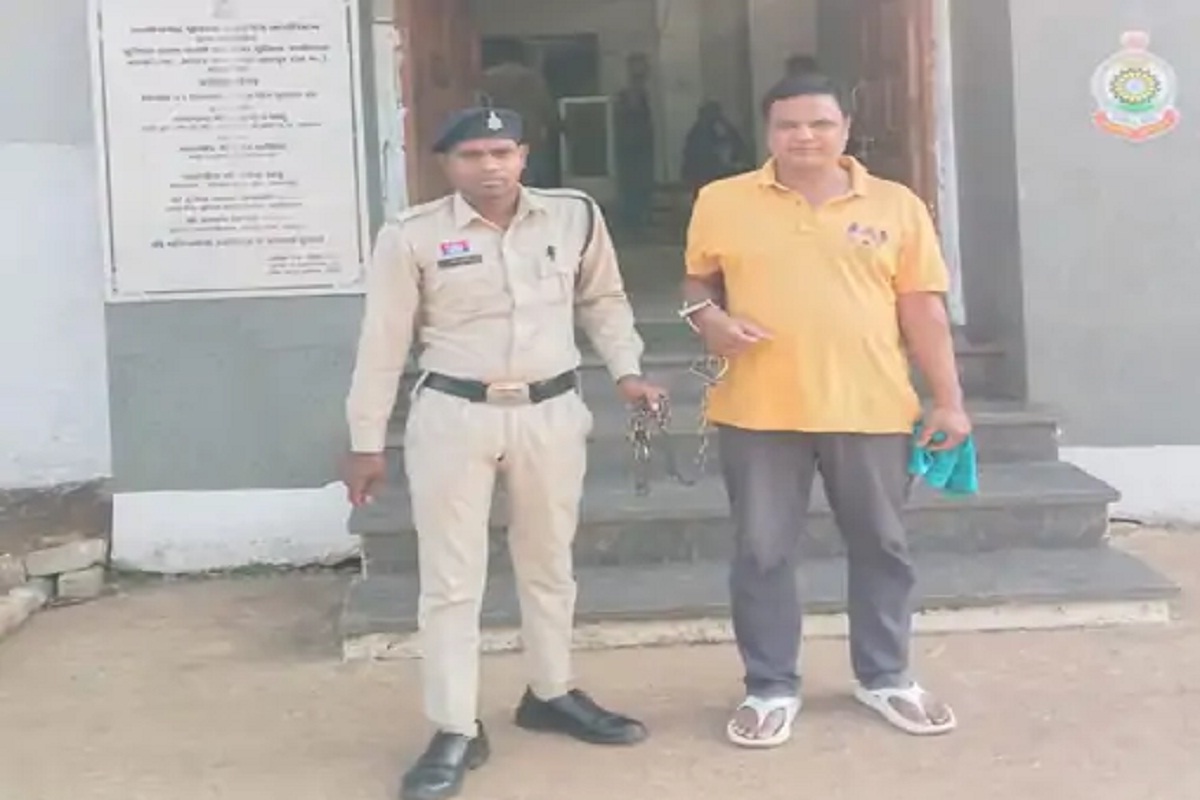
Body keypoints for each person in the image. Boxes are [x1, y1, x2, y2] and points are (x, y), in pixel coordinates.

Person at [343, 106, 666, 800]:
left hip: (550, 411)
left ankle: (551, 691)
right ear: (447, 165)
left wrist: (628, 371)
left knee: (549, 563)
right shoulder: (412, 235)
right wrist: (366, 441)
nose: (489, 167)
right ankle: (455, 726)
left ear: (524, 154)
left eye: (501, 152)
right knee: (451, 580)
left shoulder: (573, 217)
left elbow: (604, 300)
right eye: (472, 156)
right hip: (455, 415)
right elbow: (383, 341)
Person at [680, 72, 971, 748]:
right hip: (757, 408)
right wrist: (708, 319)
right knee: (761, 552)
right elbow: (697, 282)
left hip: (871, 405)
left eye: (820, 124)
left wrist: (950, 401)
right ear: (768, 131)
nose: (804, 137)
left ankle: (886, 675)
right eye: (788, 125)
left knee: (882, 546)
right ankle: (770, 686)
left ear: (846, 129)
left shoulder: (897, 205)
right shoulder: (722, 200)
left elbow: (923, 308)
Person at [481, 38, 560, 188]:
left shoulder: (487, 78)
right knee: (530, 175)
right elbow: (545, 105)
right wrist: (557, 125)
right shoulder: (530, 79)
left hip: (497, 133)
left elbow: (480, 105)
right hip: (529, 133)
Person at [614, 53, 656, 233]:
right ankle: (633, 221)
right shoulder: (630, 94)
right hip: (633, 147)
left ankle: (637, 219)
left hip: (639, 145)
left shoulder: (640, 93)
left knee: (640, 184)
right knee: (634, 184)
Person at [681, 100, 751, 199]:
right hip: (705, 177)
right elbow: (699, 158)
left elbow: (737, 145)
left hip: (719, 178)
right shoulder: (698, 133)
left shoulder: (720, 129)